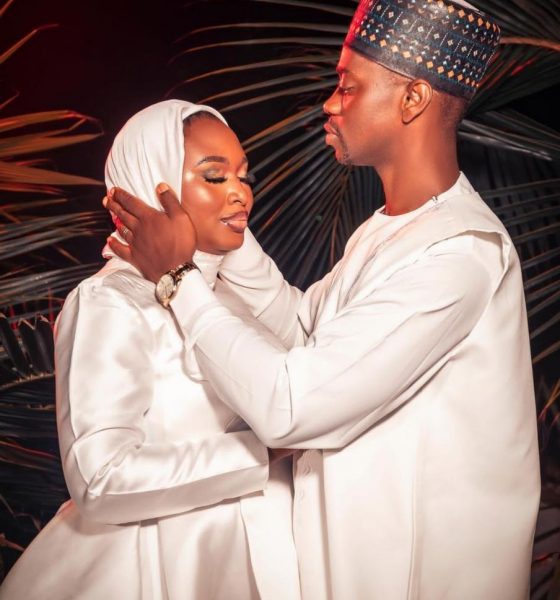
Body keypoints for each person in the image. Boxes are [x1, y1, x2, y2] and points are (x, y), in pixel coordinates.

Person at [105, 1, 541, 598]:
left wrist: (178, 277)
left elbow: (291, 405)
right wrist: (219, 224)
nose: (330, 104)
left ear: (412, 100)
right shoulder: (388, 230)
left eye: (348, 86)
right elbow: (301, 331)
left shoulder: (458, 254)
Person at [0, 100, 301, 600]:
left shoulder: (228, 296)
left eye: (243, 176)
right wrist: (263, 451)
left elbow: (308, 354)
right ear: (151, 185)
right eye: (214, 176)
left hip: (263, 555)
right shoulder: (109, 300)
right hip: (154, 569)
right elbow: (100, 478)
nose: (241, 192)